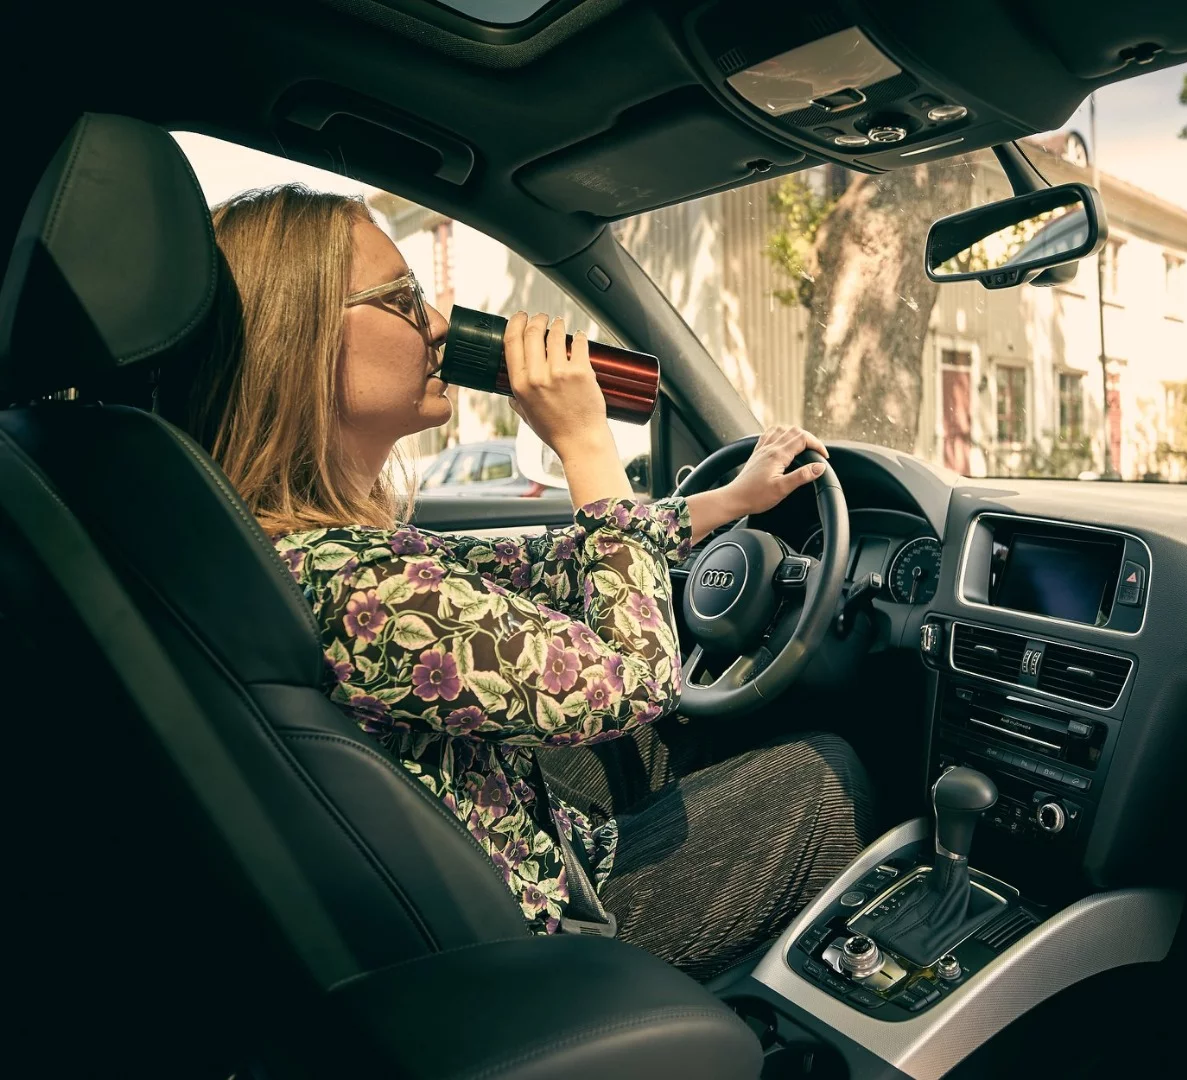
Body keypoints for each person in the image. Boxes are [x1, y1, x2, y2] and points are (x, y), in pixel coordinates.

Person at [189, 184, 873, 979]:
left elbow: (553, 563)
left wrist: (727, 502)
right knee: (828, 774)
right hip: (527, 938)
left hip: (470, 857)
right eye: (402, 299)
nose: (438, 324)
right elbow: (642, 678)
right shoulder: (365, 588)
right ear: (301, 338)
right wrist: (585, 442)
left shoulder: (312, 552)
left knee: (655, 744)